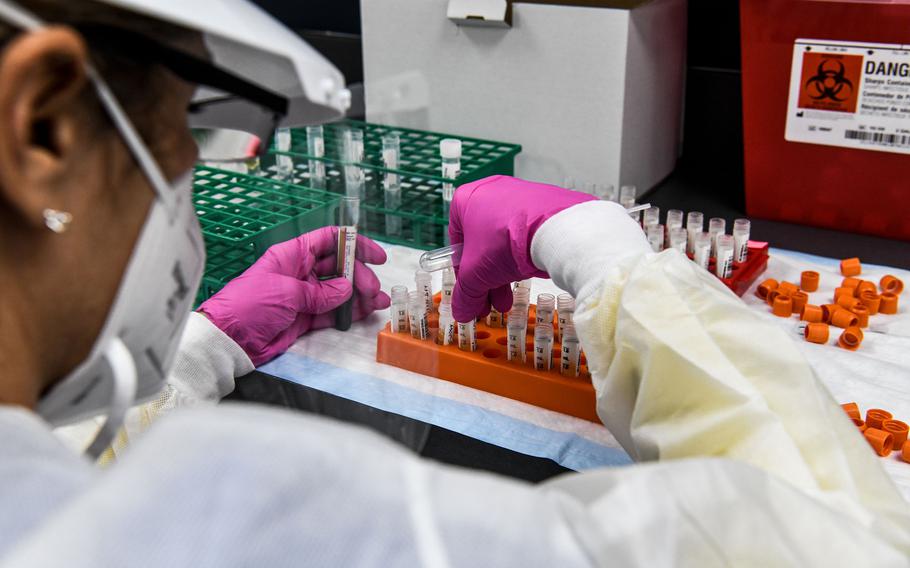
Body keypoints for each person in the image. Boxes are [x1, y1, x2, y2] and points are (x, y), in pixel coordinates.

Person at [0, 1, 907, 566]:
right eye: (181, 138)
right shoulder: (251, 518)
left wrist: (203, 349)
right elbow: (835, 542)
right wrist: (608, 256)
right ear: (43, 129)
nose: (187, 192)